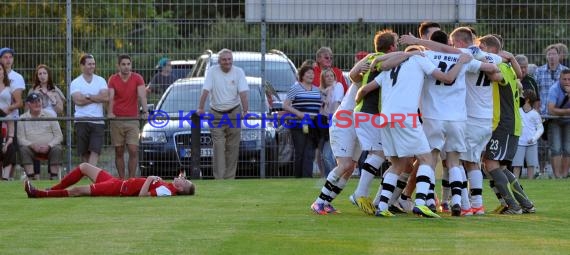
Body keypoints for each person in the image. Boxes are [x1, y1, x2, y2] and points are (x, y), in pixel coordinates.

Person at [478, 34, 535, 214]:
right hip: (512, 123)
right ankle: (526, 203)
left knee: (490, 164)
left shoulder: (501, 66)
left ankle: (512, 205)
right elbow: (518, 75)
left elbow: (495, 77)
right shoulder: (509, 67)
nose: (479, 50)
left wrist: (477, 62)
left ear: (490, 48)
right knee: (500, 166)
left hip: (503, 123)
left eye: (481, 47)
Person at [197, 49, 249, 179]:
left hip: (234, 111)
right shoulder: (212, 72)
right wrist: (201, 108)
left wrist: (245, 111)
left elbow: (243, 93)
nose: (227, 62)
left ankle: (230, 178)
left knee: (233, 147)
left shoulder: (239, 72)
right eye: (224, 60)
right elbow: (205, 90)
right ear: (219, 61)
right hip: (216, 113)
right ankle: (219, 179)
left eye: (229, 59)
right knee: (219, 147)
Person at [24, 163, 195, 198]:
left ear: (180, 190)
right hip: (118, 182)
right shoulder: (168, 185)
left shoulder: (167, 191)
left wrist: (149, 178)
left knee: (78, 191)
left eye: (184, 182)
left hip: (117, 188)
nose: (182, 178)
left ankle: (39, 193)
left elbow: (143, 196)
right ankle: (52, 188)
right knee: (84, 166)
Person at [108, 54, 148, 179]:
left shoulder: (138, 78)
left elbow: (142, 96)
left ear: (131, 65)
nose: (126, 67)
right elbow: (110, 97)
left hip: (133, 120)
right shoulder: (113, 79)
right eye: (123, 64)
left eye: (128, 64)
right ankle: (121, 180)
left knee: (133, 149)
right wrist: (110, 113)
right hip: (117, 119)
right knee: (119, 151)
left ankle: (131, 179)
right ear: (118, 66)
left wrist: (145, 111)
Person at [283, 64, 321, 178]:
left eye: (312, 73)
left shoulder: (316, 89)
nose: (311, 75)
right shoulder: (295, 88)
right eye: (308, 73)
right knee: (300, 152)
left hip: (313, 126)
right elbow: (285, 105)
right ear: (302, 75)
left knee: (310, 153)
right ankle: (298, 177)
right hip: (298, 125)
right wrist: (298, 113)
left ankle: (307, 177)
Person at [70, 54, 108, 165]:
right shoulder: (75, 82)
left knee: (95, 150)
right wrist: (97, 97)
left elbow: (105, 98)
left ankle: (92, 176)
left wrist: (87, 96)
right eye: (89, 64)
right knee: (84, 152)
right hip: (81, 120)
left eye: (93, 64)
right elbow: (78, 101)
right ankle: (87, 176)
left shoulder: (101, 80)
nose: (92, 66)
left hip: (98, 121)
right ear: (82, 66)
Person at [17, 93, 63, 180]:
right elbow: (20, 138)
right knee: (23, 149)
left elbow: (59, 136)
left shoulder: (50, 116)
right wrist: (32, 145)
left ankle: (54, 178)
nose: (37, 104)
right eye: (34, 102)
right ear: (28, 104)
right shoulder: (22, 118)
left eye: (38, 101)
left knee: (57, 148)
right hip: (31, 149)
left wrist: (49, 145)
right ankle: (31, 178)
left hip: (49, 148)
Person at [0, 47, 25, 180]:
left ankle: (8, 178)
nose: (8, 60)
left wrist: (6, 110)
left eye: (10, 57)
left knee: (10, 149)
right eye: (5, 57)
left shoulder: (17, 78)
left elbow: (19, 102)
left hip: (10, 119)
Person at [317, 68, 343, 176]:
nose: (329, 78)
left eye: (331, 76)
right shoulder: (322, 90)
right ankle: (327, 177)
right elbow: (320, 108)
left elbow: (337, 103)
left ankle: (334, 176)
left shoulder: (338, 86)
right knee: (321, 154)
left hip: (333, 122)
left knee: (327, 154)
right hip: (322, 123)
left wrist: (332, 120)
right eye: (326, 76)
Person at [512, 90, 543, 179]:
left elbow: (540, 129)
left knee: (531, 165)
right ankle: (515, 182)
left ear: (527, 100)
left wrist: (533, 138)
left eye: (523, 97)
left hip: (531, 144)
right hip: (519, 143)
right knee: (517, 165)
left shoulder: (535, 114)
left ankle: (530, 182)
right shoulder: (517, 111)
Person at [546, 69, 570, 178]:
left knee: (568, 149)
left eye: (569, 79)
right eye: (564, 79)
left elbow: (555, 109)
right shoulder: (554, 89)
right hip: (554, 121)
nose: (567, 81)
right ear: (559, 79)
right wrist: (567, 112)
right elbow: (551, 110)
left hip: (568, 122)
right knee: (556, 148)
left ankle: (564, 175)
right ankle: (557, 176)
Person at [534, 44, 568, 115]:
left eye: (554, 54)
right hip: (544, 113)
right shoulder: (539, 71)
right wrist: (536, 109)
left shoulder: (566, 71)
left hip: (562, 113)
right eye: (549, 54)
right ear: (546, 56)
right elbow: (535, 92)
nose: (551, 56)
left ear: (559, 56)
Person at [0, 63, 18, 181]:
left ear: (3, 71)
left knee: (10, 148)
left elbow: (17, 103)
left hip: (6, 119)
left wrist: (9, 140)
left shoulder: (10, 87)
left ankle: (5, 178)